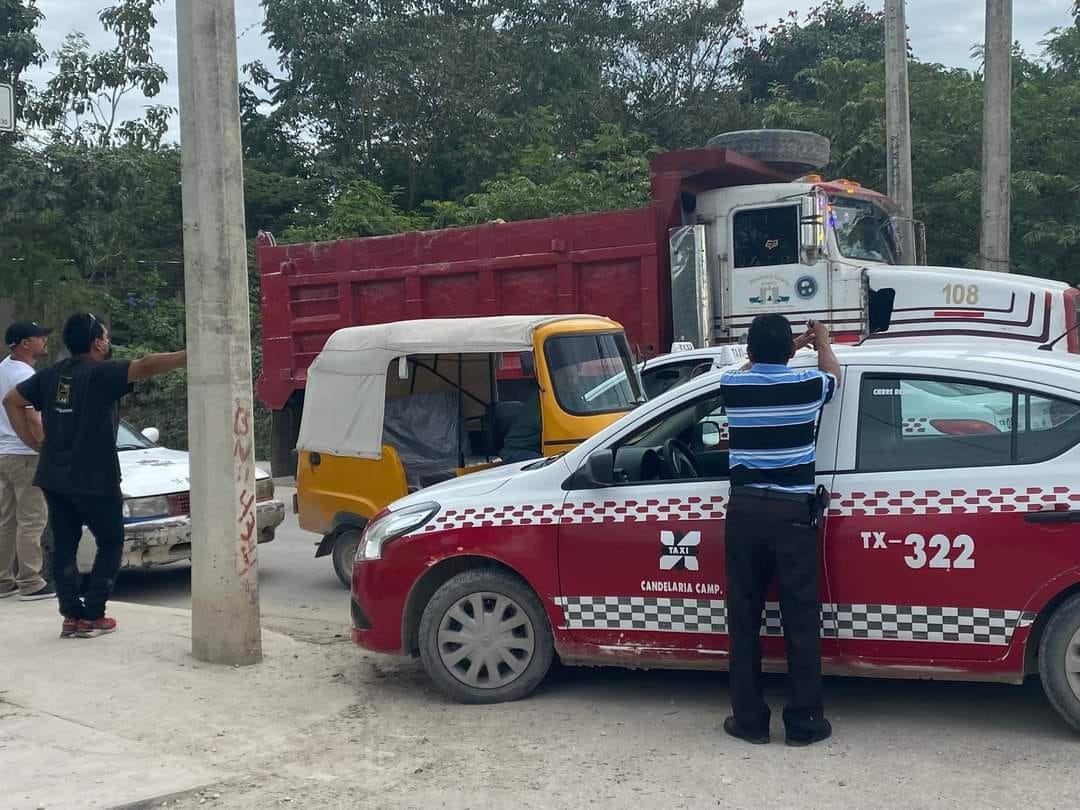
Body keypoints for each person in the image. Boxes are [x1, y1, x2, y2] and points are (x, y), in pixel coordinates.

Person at [2, 313, 186, 639]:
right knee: (111, 542)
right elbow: (145, 365)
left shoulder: (50, 375)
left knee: (65, 545)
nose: (107, 340)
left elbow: (12, 400)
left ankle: (71, 616)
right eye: (105, 335)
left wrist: (35, 443)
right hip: (95, 476)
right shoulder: (102, 373)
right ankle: (93, 615)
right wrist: (192, 355)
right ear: (98, 342)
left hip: (55, 476)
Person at [718, 314, 840, 746]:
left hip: (746, 511)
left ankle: (749, 722)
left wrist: (782, 349)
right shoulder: (809, 385)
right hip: (793, 514)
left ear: (750, 351)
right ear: (790, 352)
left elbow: (748, 368)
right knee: (800, 619)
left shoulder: (733, 387)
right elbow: (834, 375)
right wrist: (819, 341)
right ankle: (805, 723)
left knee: (745, 619)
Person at [0, 321, 54, 601]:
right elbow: (31, 415)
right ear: (24, 343)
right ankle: (31, 581)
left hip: (3, 454)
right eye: (40, 337)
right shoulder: (23, 374)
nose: (45, 341)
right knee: (31, 519)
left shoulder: (3, 368)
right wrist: (44, 446)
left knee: (6, 520)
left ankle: (3, 581)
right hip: (24, 454)